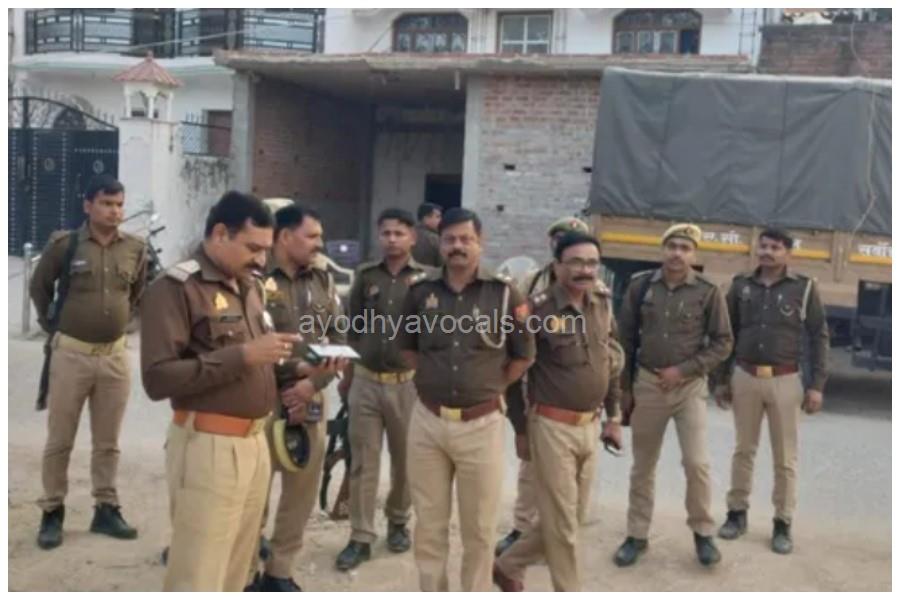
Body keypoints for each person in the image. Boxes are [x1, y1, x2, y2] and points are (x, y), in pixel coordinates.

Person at [141, 191, 322, 591]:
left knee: (237, 572)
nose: (261, 259)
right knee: (199, 574)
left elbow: (257, 364)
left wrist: (300, 369)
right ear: (221, 233)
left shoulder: (249, 286)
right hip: (209, 446)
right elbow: (157, 379)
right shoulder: (176, 288)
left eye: (266, 249)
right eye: (253, 248)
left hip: (255, 443)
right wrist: (243, 355)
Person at [398, 207, 535, 591]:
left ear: (480, 242)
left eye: (465, 239)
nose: (457, 246)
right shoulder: (419, 292)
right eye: (450, 240)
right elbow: (407, 348)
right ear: (440, 244)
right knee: (429, 526)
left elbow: (524, 355)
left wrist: (492, 387)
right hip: (428, 423)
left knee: (479, 528)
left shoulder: (505, 294)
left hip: (482, 424)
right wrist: (432, 379)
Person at [493, 231, 623, 591]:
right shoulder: (536, 309)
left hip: (590, 426)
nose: (586, 270)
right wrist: (521, 430)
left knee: (572, 517)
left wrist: (614, 416)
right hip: (551, 425)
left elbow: (610, 362)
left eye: (592, 263)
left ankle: (507, 565)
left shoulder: (602, 303)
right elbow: (513, 373)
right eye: (576, 262)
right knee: (564, 525)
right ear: (557, 266)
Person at [31, 174, 147, 550]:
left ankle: (106, 508)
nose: (114, 211)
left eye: (119, 204)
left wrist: (121, 323)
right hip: (72, 356)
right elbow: (39, 287)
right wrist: (54, 326)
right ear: (88, 205)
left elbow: (138, 292)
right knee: (60, 440)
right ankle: (52, 511)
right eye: (106, 204)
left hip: (114, 357)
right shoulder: (64, 245)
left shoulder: (135, 248)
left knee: (108, 442)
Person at [613, 223, 733, 568]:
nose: (677, 253)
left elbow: (723, 342)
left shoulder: (708, 292)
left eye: (685, 248)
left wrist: (684, 370)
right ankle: (636, 535)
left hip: (688, 388)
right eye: (672, 246)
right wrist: (624, 390)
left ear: (694, 254)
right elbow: (624, 341)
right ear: (662, 249)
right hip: (648, 384)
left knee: (697, 463)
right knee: (643, 465)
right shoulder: (641, 286)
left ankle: (703, 533)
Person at [248, 204, 347, 591]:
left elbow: (339, 338)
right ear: (286, 237)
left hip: (310, 397)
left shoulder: (322, 280)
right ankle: (246, 571)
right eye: (312, 236)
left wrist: (312, 384)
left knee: (300, 492)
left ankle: (279, 571)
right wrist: (289, 378)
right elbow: (244, 342)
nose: (319, 244)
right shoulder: (254, 279)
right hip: (261, 398)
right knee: (253, 491)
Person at [713, 228, 829, 554]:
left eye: (775, 247)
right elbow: (726, 333)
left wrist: (817, 385)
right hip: (745, 376)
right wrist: (721, 379)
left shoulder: (804, 288)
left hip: (785, 380)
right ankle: (736, 515)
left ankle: (782, 523)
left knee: (785, 458)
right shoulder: (741, 286)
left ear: (788, 253)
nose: (767, 252)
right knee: (743, 451)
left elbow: (819, 335)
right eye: (763, 246)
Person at [334, 208, 436, 571]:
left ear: (412, 238)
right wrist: (347, 376)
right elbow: (354, 329)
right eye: (386, 233)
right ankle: (360, 535)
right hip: (365, 380)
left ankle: (397, 521)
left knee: (406, 460)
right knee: (364, 460)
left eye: (399, 233)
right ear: (379, 236)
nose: (392, 239)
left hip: (406, 385)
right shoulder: (366, 277)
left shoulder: (426, 280)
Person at [495, 215, 591, 557]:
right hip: (535, 382)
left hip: (572, 386)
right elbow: (515, 328)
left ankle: (557, 532)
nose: (562, 242)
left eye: (571, 237)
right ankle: (522, 527)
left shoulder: (594, 290)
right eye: (558, 238)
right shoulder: (531, 282)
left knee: (573, 473)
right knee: (531, 462)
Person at [411, 202, 443, 267]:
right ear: (426, 218)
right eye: (438, 217)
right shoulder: (434, 239)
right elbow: (442, 265)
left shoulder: (408, 234)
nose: (440, 220)